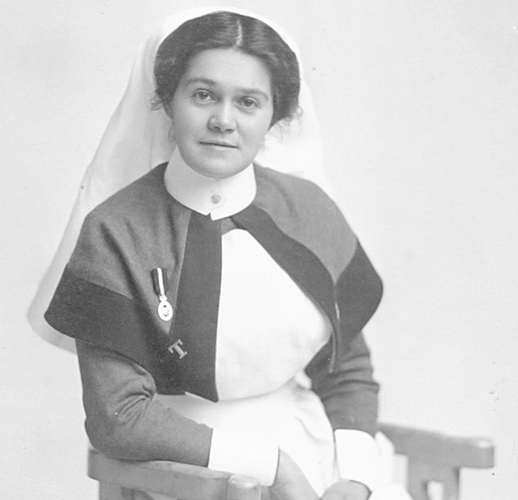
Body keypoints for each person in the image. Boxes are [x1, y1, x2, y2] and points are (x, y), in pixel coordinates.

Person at [30, 7, 409, 500]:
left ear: (276, 114)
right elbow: (118, 416)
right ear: (167, 100)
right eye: (203, 95)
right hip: (188, 475)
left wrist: (353, 480)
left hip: (318, 457)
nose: (222, 121)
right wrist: (271, 466)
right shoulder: (116, 230)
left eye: (248, 102)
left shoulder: (310, 210)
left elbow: (347, 371)